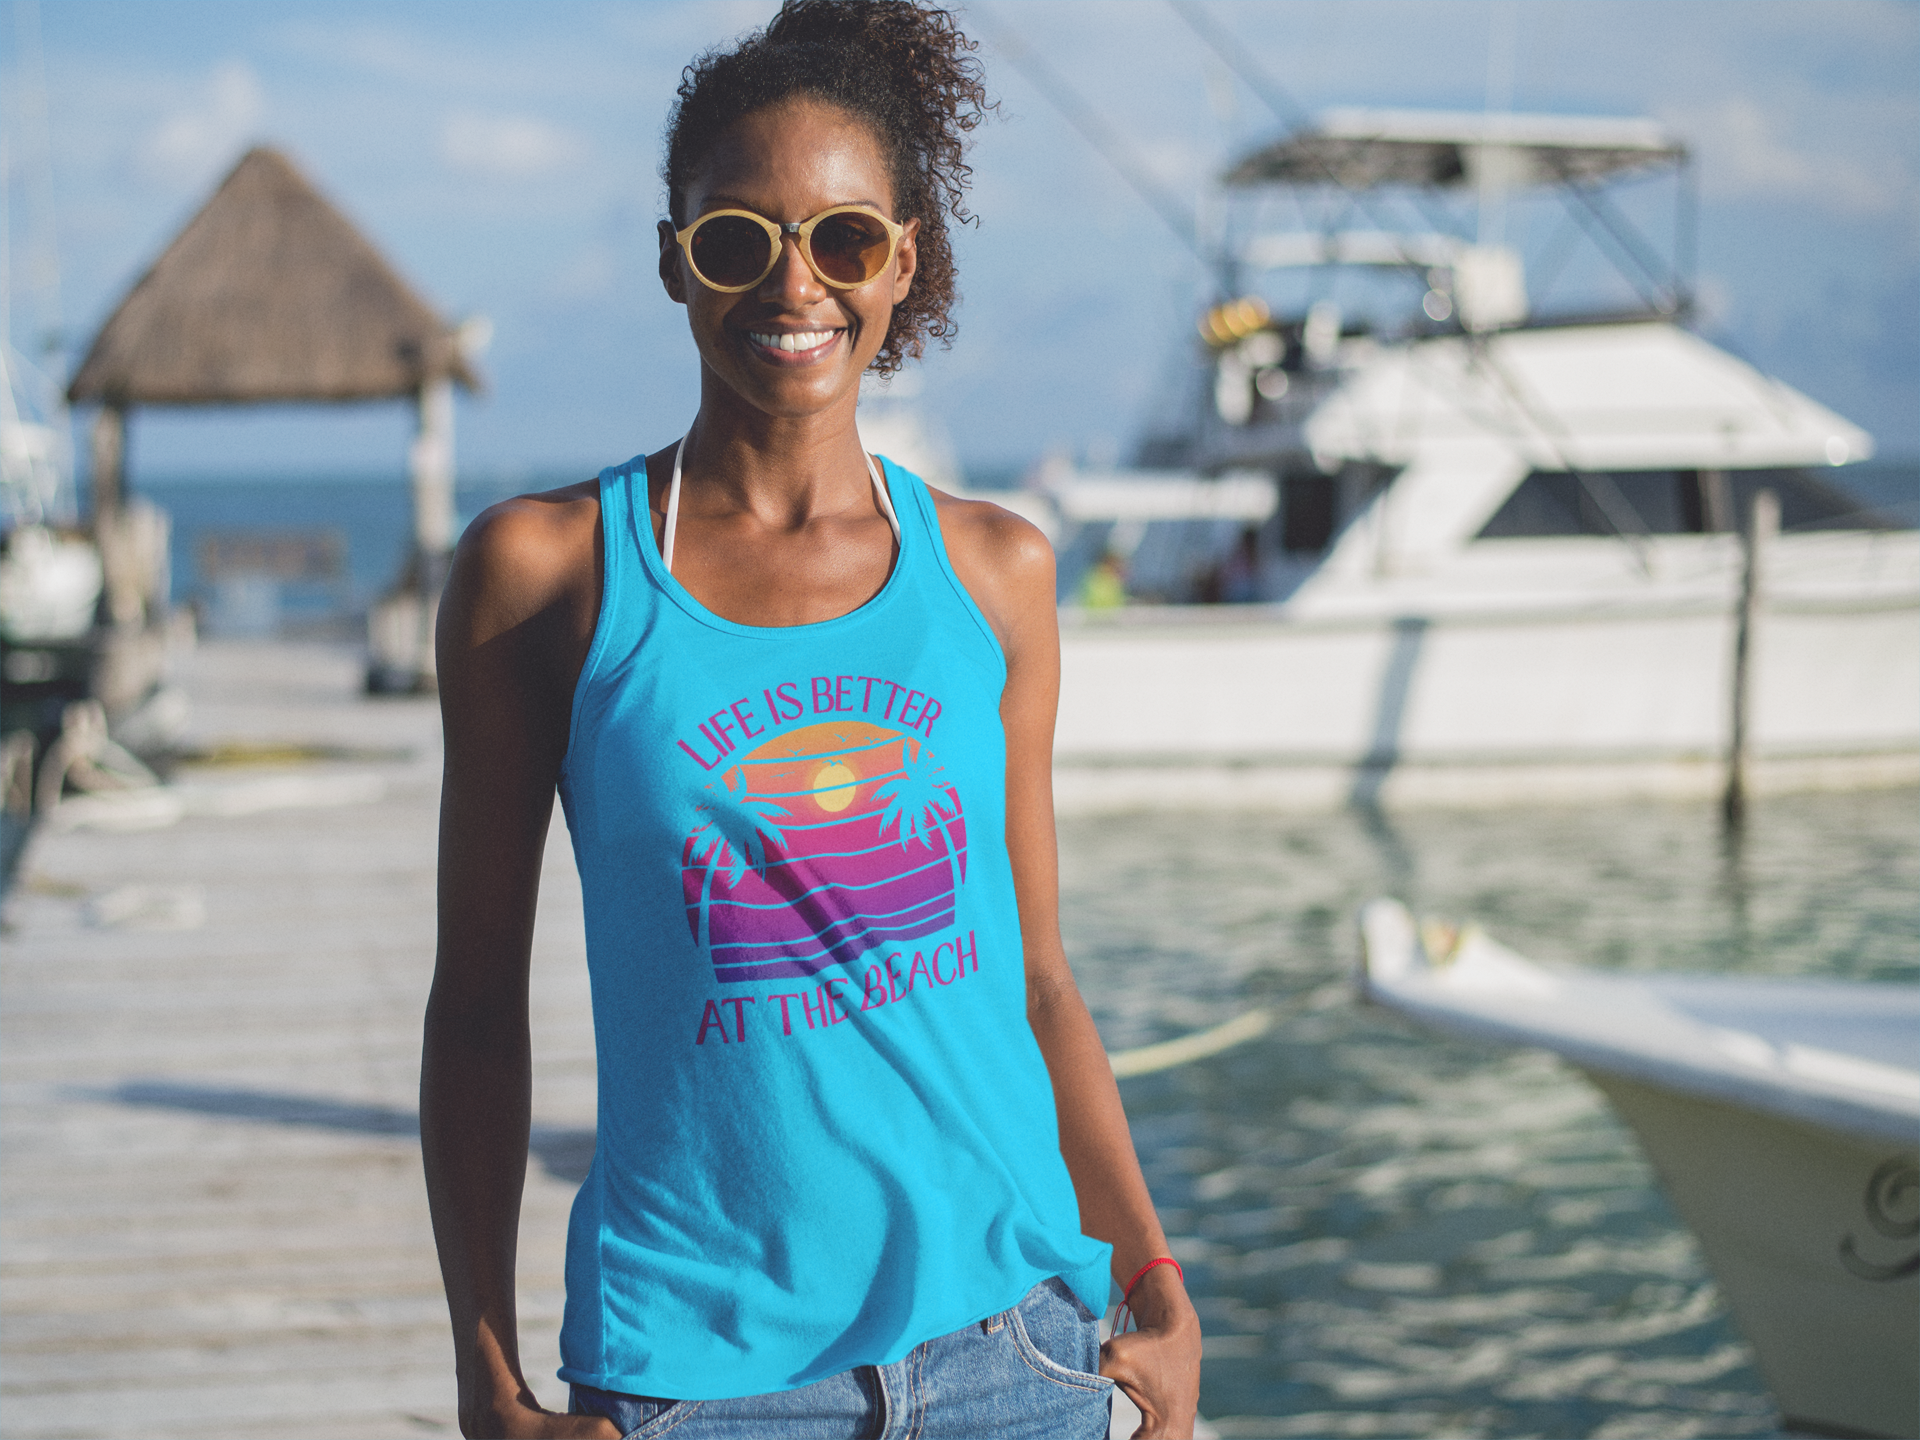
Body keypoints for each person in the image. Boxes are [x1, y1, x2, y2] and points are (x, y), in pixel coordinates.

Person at [420, 3, 1202, 1436]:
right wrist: (488, 1382)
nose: (797, 283)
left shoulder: (998, 574)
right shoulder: (550, 577)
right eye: (738, 239)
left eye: (844, 238)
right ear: (674, 260)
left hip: (1016, 1351)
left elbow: (1038, 985)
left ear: (905, 260)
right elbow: (476, 1008)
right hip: (704, 1377)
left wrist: (1156, 1283)